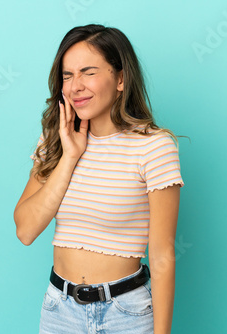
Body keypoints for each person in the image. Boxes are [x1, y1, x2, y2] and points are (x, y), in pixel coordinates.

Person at [14, 24, 186, 334]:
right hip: (59, 312)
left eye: (88, 72)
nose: (75, 86)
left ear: (121, 79)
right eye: (67, 76)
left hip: (126, 314)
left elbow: (162, 255)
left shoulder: (153, 147)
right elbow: (25, 230)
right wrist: (69, 157)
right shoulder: (56, 141)